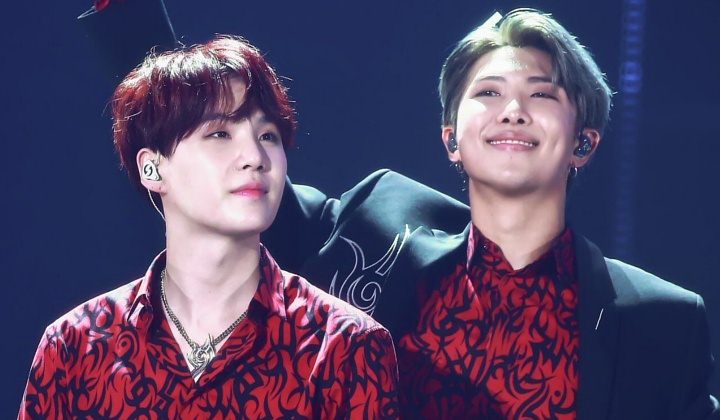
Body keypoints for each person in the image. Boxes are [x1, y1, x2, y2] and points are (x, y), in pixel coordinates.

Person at [263, 9, 720, 419]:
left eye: (541, 94)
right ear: (451, 140)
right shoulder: (375, 226)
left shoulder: (661, 323)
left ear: (583, 143)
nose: (513, 112)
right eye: (489, 92)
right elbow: (239, 185)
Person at [19, 36, 399, 419]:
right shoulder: (74, 347)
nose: (254, 157)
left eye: (268, 136)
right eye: (220, 134)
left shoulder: (344, 346)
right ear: (152, 168)